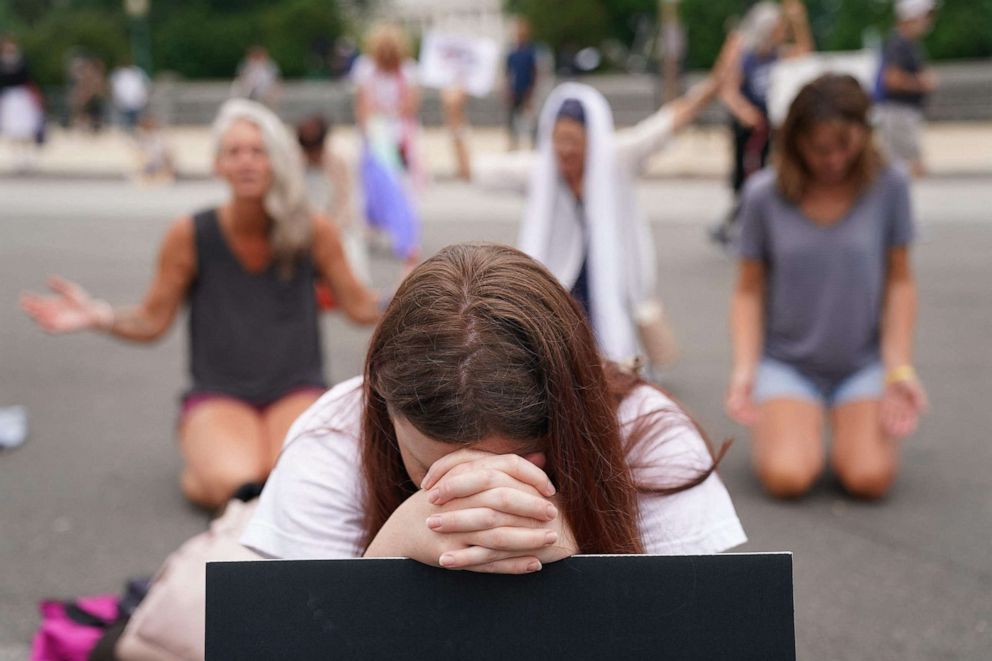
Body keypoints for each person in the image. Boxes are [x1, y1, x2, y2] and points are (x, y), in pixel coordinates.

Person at [242, 243, 747, 572]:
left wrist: (584, 570)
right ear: (381, 398)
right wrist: (386, 558)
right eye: (436, 469)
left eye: (525, 465)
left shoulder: (651, 431)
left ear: (577, 411)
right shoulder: (333, 433)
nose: (480, 498)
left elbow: (703, 639)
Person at [20, 99, 380, 510]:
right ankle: (203, 467)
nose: (246, 161)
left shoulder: (313, 229)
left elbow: (358, 307)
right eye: (234, 152)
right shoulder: (190, 234)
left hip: (296, 387)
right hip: (219, 392)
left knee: (293, 485)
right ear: (218, 165)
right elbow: (152, 321)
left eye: (258, 151)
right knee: (234, 485)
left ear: (278, 161)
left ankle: (224, 464)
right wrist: (98, 316)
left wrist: (410, 296)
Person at [442, 33, 741, 372]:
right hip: (561, 291)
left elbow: (673, 120)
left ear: (592, 138)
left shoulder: (617, 158)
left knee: (613, 371)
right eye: (558, 141)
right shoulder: (542, 171)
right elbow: (470, 172)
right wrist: (454, 113)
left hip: (610, 282)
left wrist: (717, 83)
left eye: (573, 141)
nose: (565, 151)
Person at [726, 74, 928, 501]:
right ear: (795, 141)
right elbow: (747, 291)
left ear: (864, 134)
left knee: (868, 478)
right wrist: (746, 369)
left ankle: (842, 417)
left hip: (860, 362)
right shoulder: (764, 195)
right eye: (820, 148)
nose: (834, 159)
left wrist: (899, 368)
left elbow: (900, 282)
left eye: (846, 145)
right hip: (788, 362)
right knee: (789, 477)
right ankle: (799, 418)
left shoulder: (889, 185)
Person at [711, 0, 812, 247]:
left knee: (765, 175)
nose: (783, 32)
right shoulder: (746, 53)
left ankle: (736, 226)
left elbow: (805, 52)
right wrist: (744, 111)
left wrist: (798, 20)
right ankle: (735, 228)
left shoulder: (775, 54)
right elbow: (726, 87)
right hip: (747, 125)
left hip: (767, 125)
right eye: (780, 27)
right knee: (746, 177)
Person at [352, 23, 422, 265]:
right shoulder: (365, 68)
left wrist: (387, 116)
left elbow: (411, 105)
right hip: (375, 134)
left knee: (400, 188)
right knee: (373, 187)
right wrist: (370, 132)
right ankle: (374, 227)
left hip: (399, 135)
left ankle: (405, 237)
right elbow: (362, 105)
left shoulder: (408, 71)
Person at [296, 113, 371, 285]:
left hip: (341, 225)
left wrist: (330, 232)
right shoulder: (297, 158)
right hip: (308, 224)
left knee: (353, 267)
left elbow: (346, 201)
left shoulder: (340, 157)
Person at [874, 0, 937, 177]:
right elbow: (891, 79)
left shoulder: (907, 43)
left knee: (900, 167)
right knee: (910, 167)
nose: (927, 22)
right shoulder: (899, 44)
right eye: (924, 17)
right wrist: (921, 83)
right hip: (899, 112)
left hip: (902, 113)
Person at [0, 34, 44, 170]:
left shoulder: (22, 61)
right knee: (13, 129)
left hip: (22, 96)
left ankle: (28, 157)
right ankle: (17, 158)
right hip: (8, 97)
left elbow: (26, 77)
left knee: (26, 128)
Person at [504, 17, 539, 151]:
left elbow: (534, 72)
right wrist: (508, 89)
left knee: (530, 118)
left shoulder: (530, 52)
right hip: (515, 89)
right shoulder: (513, 52)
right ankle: (513, 143)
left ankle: (534, 142)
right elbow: (508, 73)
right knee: (512, 118)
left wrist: (531, 89)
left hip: (526, 90)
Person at [110, 59, 150, 132]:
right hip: (125, 102)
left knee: (137, 121)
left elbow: (144, 86)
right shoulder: (119, 74)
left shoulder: (137, 72)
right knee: (127, 123)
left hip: (137, 102)